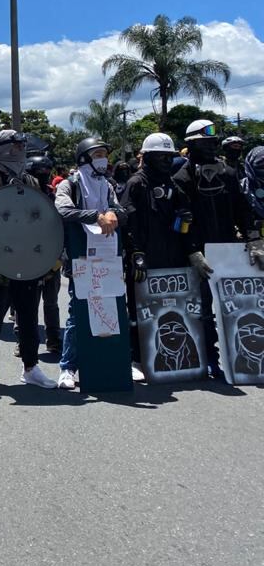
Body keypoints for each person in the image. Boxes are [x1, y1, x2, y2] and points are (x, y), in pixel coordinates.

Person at [0, 131, 58, 390]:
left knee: (29, 315)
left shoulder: (31, 180)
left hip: (28, 257)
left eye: (22, 147)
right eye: (14, 146)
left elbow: (40, 217)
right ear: (1, 150)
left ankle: (30, 367)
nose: (19, 151)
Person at [172, 119, 257, 378]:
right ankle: (210, 357)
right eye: (205, 142)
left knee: (237, 305)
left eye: (213, 142)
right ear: (191, 145)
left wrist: (254, 239)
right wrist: (191, 250)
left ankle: (239, 358)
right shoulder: (181, 178)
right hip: (200, 253)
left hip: (229, 250)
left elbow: (243, 209)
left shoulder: (229, 174)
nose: (211, 147)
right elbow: (178, 220)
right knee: (203, 308)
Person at [53, 137, 129, 390]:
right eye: (97, 154)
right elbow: (63, 211)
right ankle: (68, 367)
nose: (103, 159)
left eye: (104, 154)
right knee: (79, 308)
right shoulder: (70, 184)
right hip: (80, 255)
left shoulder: (106, 185)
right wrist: (95, 215)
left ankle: (109, 360)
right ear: (85, 158)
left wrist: (112, 213)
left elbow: (121, 211)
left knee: (111, 306)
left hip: (107, 255)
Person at [121, 133, 192, 381]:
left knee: (170, 309)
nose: (165, 161)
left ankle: (171, 359)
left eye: (169, 156)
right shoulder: (136, 183)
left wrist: (184, 219)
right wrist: (135, 252)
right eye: (160, 156)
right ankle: (137, 358)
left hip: (171, 257)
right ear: (148, 157)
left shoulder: (174, 184)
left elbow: (183, 219)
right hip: (144, 258)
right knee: (139, 310)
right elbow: (128, 221)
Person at [24, 155, 62, 355]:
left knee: (51, 302)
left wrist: (57, 258)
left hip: (51, 255)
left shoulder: (53, 195)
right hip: (26, 257)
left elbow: (60, 226)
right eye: (40, 174)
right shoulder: (20, 196)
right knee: (25, 303)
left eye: (47, 174)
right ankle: (23, 340)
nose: (44, 178)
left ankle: (53, 339)